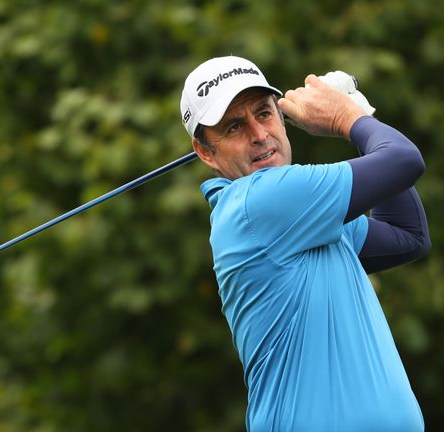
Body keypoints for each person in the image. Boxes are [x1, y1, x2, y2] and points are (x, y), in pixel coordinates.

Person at [180, 55, 431, 432]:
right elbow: (403, 160)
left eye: (264, 113)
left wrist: (360, 115)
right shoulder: (257, 203)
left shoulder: (305, 218)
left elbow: (407, 236)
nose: (259, 134)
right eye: (234, 127)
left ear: (282, 118)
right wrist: (348, 118)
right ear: (205, 152)